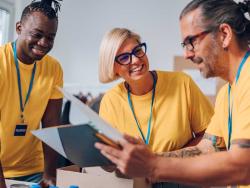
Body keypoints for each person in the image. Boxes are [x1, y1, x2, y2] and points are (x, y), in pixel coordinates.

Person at [95, 0, 250, 187]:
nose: (187, 54)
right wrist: (145, 160)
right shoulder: (227, 93)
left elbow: (243, 166)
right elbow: (211, 147)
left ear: (224, 34)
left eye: (191, 42)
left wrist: (153, 166)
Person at [98, 28, 214, 187]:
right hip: (135, 183)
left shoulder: (182, 83)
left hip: (180, 178)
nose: (136, 60)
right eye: (124, 57)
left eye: (137, 51)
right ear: (113, 67)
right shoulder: (110, 101)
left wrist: (160, 161)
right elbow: (109, 159)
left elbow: (212, 137)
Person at [0, 0, 63, 187]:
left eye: (50, 37)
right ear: (19, 28)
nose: (44, 43)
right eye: (37, 34)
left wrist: (50, 174)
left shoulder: (53, 68)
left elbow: (51, 124)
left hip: (33, 169)